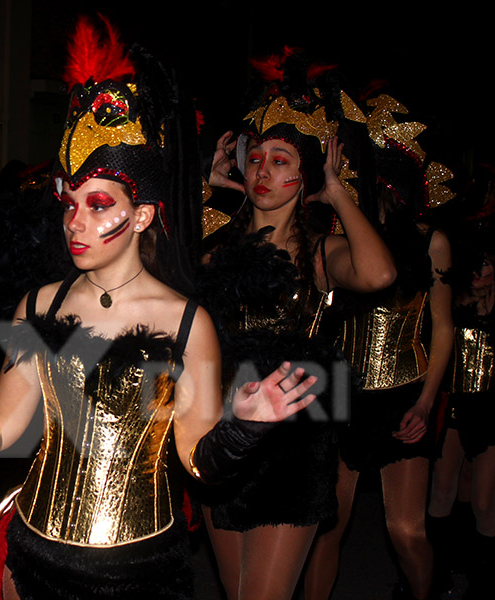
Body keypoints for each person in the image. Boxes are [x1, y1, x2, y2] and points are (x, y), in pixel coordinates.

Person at [0, 17, 318, 600]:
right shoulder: (39, 305)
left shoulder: (188, 322)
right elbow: (0, 426)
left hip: (137, 571)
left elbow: (199, 461)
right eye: (69, 202)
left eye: (97, 204)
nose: (75, 223)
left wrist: (244, 427)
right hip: (33, 552)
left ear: (141, 216)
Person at [201, 50, 397, 600]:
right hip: (224, 433)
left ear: (305, 171)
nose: (264, 170)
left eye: (282, 159)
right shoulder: (218, 246)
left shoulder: (319, 253)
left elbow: (379, 274)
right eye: (257, 156)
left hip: (293, 447)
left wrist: (336, 192)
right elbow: (153, 270)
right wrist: (204, 191)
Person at [303, 94, 455, 600]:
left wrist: (426, 403)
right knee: (328, 527)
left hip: (403, 394)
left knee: (406, 531)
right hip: (343, 396)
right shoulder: (341, 237)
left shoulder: (431, 241)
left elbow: (442, 327)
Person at [427, 200, 495, 599]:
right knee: (442, 487)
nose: (481, 271)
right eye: (477, 263)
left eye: (488, 263)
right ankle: (435, 574)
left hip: (491, 412)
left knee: (484, 498)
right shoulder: (457, 303)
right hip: (454, 404)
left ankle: (482, 580)